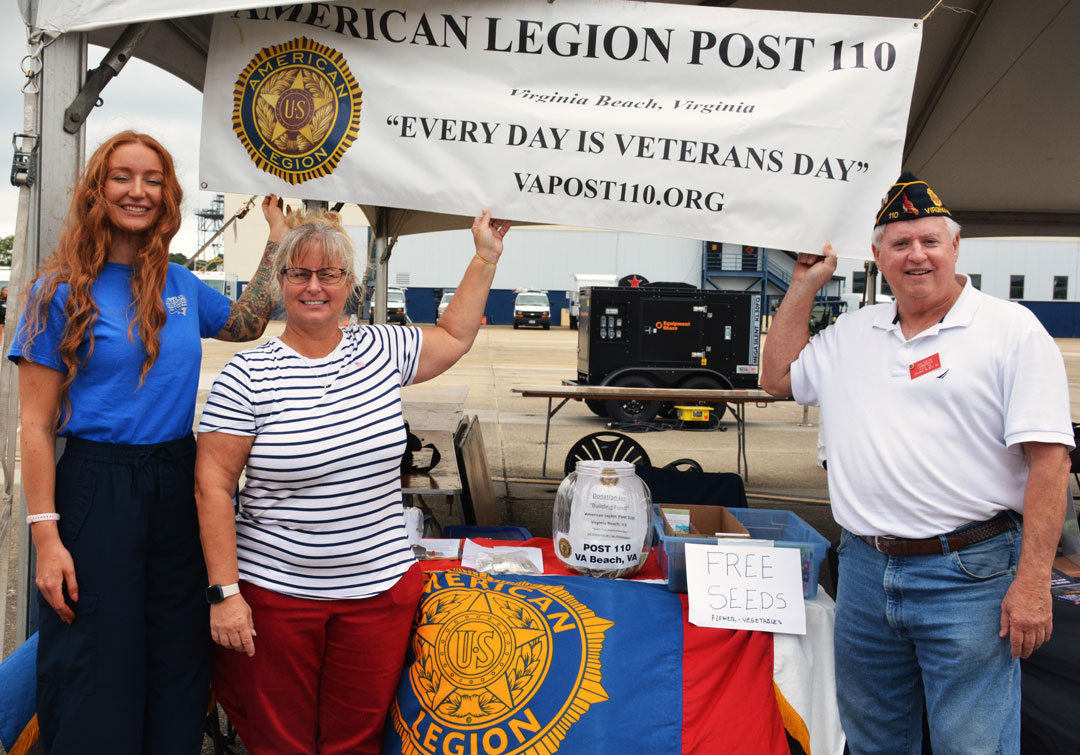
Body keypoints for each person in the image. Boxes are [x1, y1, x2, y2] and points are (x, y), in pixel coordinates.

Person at [760, 173, 1073, 754]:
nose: (917, 255)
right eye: (899, 244)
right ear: (877, 257)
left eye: (930, 240)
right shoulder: (854, 332)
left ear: (956, 248)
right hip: (864, 570)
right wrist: (804, 281)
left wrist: (1033, 582)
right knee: (874, 740)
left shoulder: (1010, 331)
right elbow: (777, 378)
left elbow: (1050, 464)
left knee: (971, 745)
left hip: (970, 574)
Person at [8, 130, 285, 754]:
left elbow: (246, 323)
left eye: (153, 180)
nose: (138, 191)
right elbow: (34, 424)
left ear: (168, 196)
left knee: (177, 654)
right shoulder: (57, 293)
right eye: (123, 177)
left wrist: (274, 240)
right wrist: (46, 538)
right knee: (94, 659)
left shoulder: (182, 284)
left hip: (175, 480)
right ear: (97, 190)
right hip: (95, 484)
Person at [194, 208, 510, 754]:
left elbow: (456, 335)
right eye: (299, 273)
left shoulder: (382, 349)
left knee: (357, 741)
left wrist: (484, 255)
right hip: (277, 597)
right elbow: (213, 486)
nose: (314, 287)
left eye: (329, 274)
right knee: (280, 742)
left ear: (350, 284)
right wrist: (225, 593)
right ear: (279, 281)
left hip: (377, 595)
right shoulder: (247, 375)